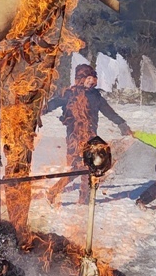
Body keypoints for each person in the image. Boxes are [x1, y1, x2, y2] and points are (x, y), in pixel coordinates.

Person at [45, 63, 131, 204]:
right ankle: (55, 191)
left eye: (93, 78)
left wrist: (121, 123)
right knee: (79, 168)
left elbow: (108, 111)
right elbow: (53, 104)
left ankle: (83, 198)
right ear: (80, 78)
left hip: (90, 136)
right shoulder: (70, 93)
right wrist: (39, 112)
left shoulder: (95, 96)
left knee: (90, 167)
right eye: (88, 78)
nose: (91, 81)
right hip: (75, 137)